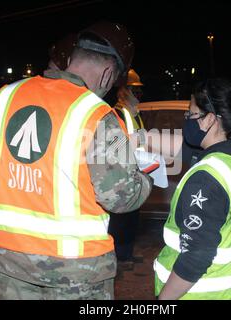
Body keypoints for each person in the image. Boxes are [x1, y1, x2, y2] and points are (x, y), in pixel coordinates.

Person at [0, 21, 152, 300]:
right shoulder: (98, 115)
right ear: (107, 73)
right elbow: (121, 197)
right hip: (75, 273)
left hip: (9, 263)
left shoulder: (3, 98)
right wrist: (146, 177)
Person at [154, 79, 231, 300]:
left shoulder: (208, 177)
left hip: (203, 294)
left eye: (190, 115)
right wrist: (137, 139)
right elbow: (181, 149)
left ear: (209, 119)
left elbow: (195, 257)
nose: (186, 121)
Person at [108, 69, 146, 270]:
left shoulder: (133, 114)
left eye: (139, 91)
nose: (138, 94)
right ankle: (120, 256)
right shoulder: (119, 113)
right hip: (124, 174)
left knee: (132, 216)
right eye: (134, 90)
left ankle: (126, 254)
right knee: (121, 219)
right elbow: (116, 146)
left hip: (136, 170)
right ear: (123, 91)